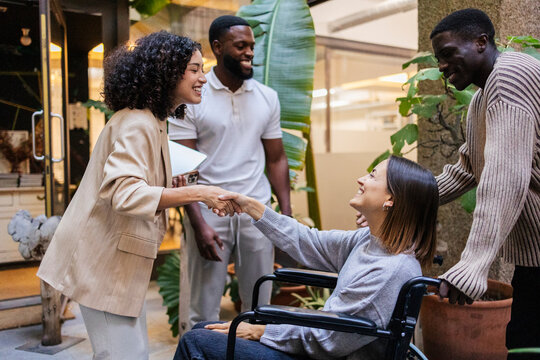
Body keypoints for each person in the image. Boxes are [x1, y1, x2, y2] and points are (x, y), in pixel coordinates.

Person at [37, 32, 240, 359]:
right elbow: (126, 194)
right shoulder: (138, 123)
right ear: (166, 70)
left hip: (116, 266)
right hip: (103, 266)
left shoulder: (153, 121)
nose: (203, 78)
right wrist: (199, 192)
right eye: (194, 69)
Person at [174, 156, 439, 360]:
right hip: (321, 345)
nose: (361, 179)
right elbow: (308, 241)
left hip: (328, 355)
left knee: (196, 342)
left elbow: (332, 340)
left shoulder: (390, 270)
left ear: (390, 199)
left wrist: (263, 331)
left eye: (372, 175)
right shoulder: (370, 242)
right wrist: (252, 207)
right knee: (206, 328)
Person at [168, 15, 292, 334]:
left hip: (256, 209)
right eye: (241, 46)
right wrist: (197, 223)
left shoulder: (268, 97)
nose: (249, 52)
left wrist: (285, 218)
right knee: (202, 306)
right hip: (210, 210)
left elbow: (276, 159)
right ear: (217, 47)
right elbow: (184, 168)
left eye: (251, 46)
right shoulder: (193, 96)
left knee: (259, 306)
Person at [428, 9, 540, 358]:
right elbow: (467, 170)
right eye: (438, 58)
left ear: (481, 42)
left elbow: (504, 175)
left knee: (525, 345)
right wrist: (400, 195)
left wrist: (473, 264)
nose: (442, 66)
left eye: (448, 54)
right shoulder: (481, 99)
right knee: (523, 343)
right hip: (536, 259)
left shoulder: (511, 75)